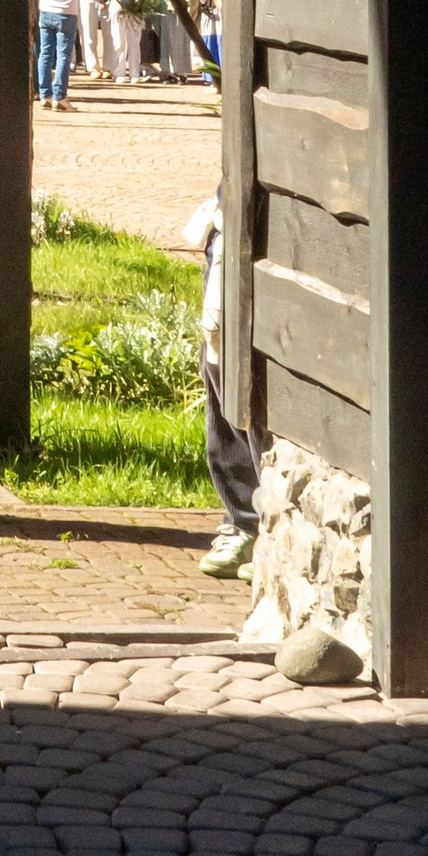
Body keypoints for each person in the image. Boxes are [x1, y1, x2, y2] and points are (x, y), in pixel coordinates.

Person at [190, 191, 258, 578]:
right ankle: (244, 521)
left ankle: (264, 526)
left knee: (261, 385)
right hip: (230, 235)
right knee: (221, 375)